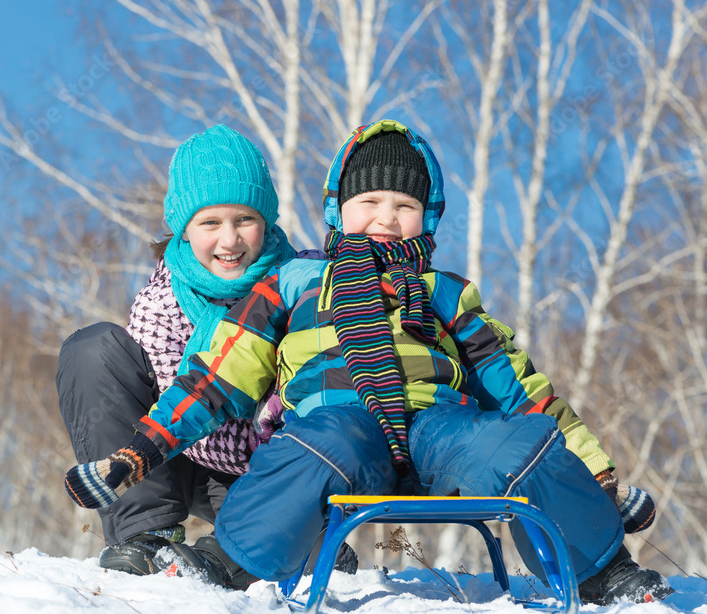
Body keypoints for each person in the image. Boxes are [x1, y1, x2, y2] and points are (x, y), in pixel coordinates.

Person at [64, 120, 673, 605]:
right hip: (340, 420)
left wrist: (597, 475)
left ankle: (601, 571)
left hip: (441, 428)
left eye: (405, 204)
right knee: (316, 447)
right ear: (337, 211)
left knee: (520, 443)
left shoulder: (445, 292)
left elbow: (520, 386)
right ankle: (229, 562)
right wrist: (138, 451)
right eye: (370, 200)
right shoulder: (295, 280)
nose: (385, 216)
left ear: (428, 218)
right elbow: (221, 371)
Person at [56, 123, 297, 574]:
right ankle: (145, 532)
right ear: (183, 229)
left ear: (267, 221)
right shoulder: (162, 300)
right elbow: (171, 404)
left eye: (244, 219)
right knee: (93, 349)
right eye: (210, 223)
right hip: (175, 456)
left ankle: (280, 538)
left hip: (265, 468)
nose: (229, 240)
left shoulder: (298, 285)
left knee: (282, 546)